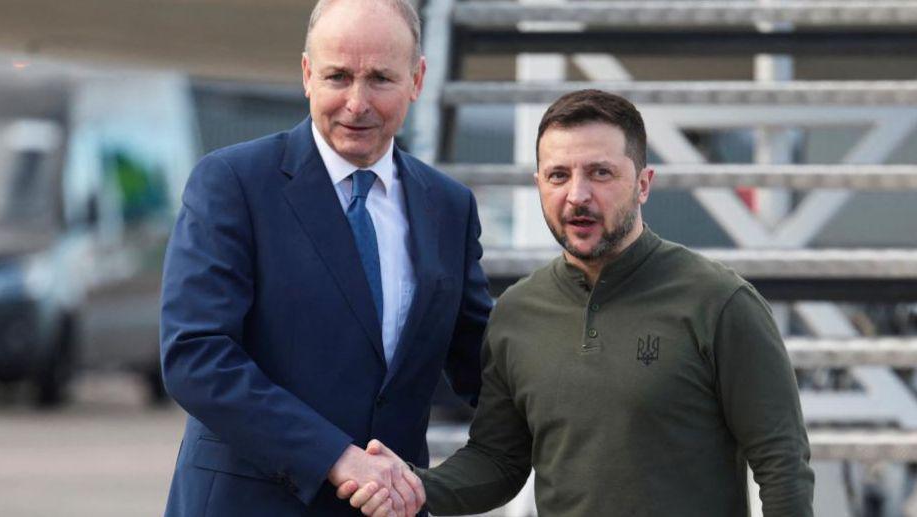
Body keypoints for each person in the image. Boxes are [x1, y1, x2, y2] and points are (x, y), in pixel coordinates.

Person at [342, 89, 815, 516]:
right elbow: (499, 462)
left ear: (644, 183)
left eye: (600, 173)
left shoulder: (721, 303)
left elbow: (783, 466)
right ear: (539, 185)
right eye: (559, 175)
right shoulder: (516, 314)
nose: (577, 195)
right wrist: (415, 486)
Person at [159, 0, 491, 515]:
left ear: (418, 79)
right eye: (338, 76)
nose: (357, 103)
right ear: (307, 75)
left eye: (380, 78)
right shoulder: (233, 183)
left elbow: (480, 364)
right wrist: (335, 457)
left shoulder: (449, 206)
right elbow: (196, 356)